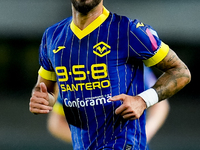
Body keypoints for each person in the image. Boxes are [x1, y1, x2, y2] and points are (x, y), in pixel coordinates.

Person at [29, 0, 191, 149]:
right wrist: (41, 99)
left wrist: (142, 100)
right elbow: (47, 91)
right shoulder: (52, 37)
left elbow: (180, 72)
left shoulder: (129, 30)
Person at [47, 67, 170, 144]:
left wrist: (143, 135)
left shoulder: (129, 63)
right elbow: (56, 123)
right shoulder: (72, 72)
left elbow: (160, 104)